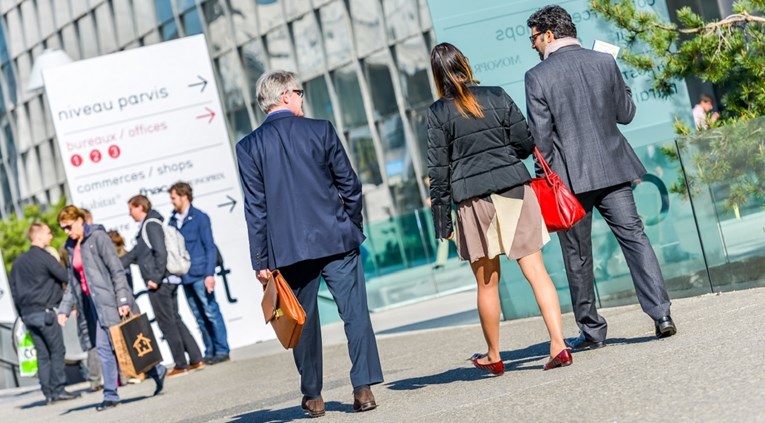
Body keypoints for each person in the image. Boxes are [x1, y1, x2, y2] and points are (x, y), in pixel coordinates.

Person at [524, 5, 677, 350]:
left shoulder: (537, 77)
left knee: (577, 255)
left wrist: (546, 182)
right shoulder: (604, 62)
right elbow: (626, 113)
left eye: (533, 38)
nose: (533, 45)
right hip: (613, 169)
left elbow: (541, 140)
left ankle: (592, 331)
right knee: (635, 240)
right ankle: (661, 315)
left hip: (569, 180)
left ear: (549, 35)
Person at [236, 70, 383, 417]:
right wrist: (351, 225)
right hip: (336, 239)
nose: (302, 98)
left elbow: (255, 208)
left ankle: (313, 396)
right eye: (299, 92)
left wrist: (261, 259)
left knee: (302, 320)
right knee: (356, 314)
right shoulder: (321, 130)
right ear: (286, 95)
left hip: (288, 251)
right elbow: (350, 185)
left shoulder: (249, 147)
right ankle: (363, 388)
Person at [427, 43, 571, 375]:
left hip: (473, 200)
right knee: (536, 271)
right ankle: (558, 344)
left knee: (487, 283)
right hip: (513, 190)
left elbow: (438, 170)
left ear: (437, 76)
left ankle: (494, 355)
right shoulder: (496, 95)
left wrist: (441, 221)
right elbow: (525, 142)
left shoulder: (437, 113)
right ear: (465, 63)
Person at [56, 205, 168, 411]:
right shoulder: (71, 246)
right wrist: (64, 309)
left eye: (68, 226)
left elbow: (117, 270)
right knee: (109, 347)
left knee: (123, 344)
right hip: (94, 305)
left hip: (111, 301)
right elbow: (73, 283)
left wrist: (123, 300)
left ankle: (141, 377)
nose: (66, 232)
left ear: (80, 220)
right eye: (63, 228)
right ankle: (122, 388)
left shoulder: (98, 238)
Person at [121, 195, 205, 376]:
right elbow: (137, 254)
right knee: (175, 319)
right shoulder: (148, 225)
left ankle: (181, 364)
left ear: (139, 207)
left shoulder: (150, 225)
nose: (130, 214)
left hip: (160, 284)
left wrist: (156, 278)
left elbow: (161, 252)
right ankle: (196, 358)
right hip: (166, 281)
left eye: (131, 209)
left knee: (167, 323)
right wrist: (118, 262)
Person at [9, 223, 80, 404]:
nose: (51, 236)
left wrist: (22, 314)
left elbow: (14, 291)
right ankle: (58, 390)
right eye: (48, 233)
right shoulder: (44, 257)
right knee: (57, 351)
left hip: (28, 315)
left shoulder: (18, 263)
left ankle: (48, 393)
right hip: (45, 313)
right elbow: (65, 277)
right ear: (38, 236)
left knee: (42, 354)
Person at [167, 182, 230, 364]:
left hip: (201, 274)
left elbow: (210, 247)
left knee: (211, 312)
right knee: (199, 317)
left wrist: (209, 274)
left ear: (184, 196)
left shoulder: (200, 218)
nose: (172, 202)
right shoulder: (172, 220)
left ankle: (222, 350)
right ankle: (209, 351)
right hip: (184, 276)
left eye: (173, 197)